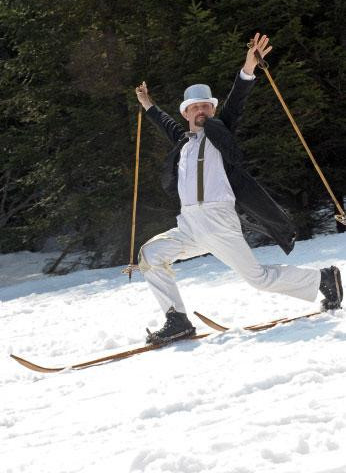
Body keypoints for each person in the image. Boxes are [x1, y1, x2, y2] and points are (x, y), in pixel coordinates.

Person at [135, 33, 343, 345]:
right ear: (186, 113)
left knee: (258, 279)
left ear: (213, 111)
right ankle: (177, 319)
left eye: (206, 105)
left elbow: (238, 99)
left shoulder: (220, 133)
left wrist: (249, 67)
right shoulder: (183, 142)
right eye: (194, 107)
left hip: (219, 222)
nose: (201, 109)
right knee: (150, 254)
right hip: (189, 226)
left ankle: (324, 279)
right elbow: (165, 124)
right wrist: (148, 105)